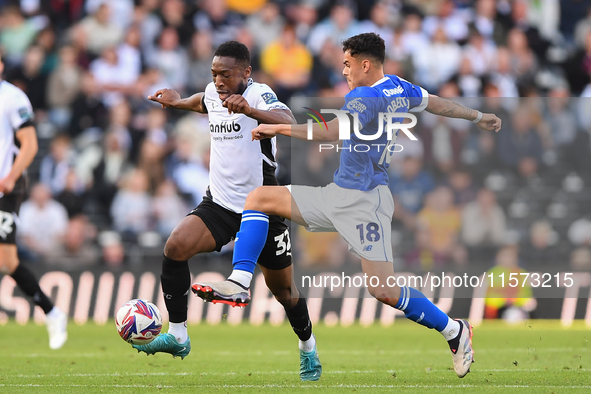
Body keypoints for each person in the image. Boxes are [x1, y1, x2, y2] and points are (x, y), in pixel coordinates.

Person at [194, 33, 501, 378]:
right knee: (259, 197)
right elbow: (437, 104)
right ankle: (239, 279)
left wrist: (276, 127)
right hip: (337, 193)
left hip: (365, 203)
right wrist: (476, 116)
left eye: (347, 64)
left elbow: (331, 133)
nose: (344, 71)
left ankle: (454, 330)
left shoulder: (364, 95)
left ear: (365, 64)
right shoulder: (400, 87)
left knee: (383, 289)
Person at [132, 41, 321, 381]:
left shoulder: (261, 94)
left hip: (262, 204)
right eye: (214, 73)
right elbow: (201, 101)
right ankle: (178, 334)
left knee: (285, 293)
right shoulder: (212, 93)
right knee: (175, 247)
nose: (218, 81)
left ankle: (308, 346)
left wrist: (249, 111)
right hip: (219, 203)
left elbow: (287, 118)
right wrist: (176, 102)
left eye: (226, 75)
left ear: (246, 73)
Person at [0, 53, 68, 349]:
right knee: (10, 261)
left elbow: (30, 144)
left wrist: (11, 177)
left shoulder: (13, 98)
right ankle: (53, 312)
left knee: (8, 261)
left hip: (5, 187)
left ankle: (53, 313)